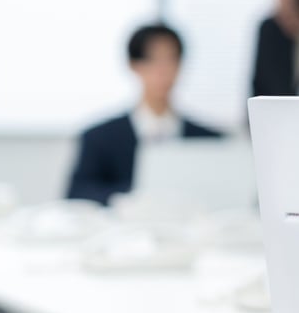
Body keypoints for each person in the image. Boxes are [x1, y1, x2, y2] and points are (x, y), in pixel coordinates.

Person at [67, 24, 221, 205]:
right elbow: (76, 194)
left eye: (171, 59)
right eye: (152, 60)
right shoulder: (100, 138)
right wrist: (129, 198)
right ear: (133, 65)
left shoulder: (209, 140)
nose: (163, 70)